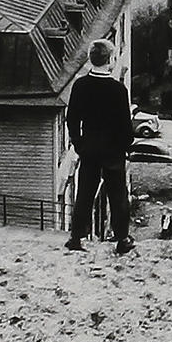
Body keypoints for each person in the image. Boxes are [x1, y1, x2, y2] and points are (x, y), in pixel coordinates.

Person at [65, 39, 135, 255]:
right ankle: (122, 238)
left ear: (91, 59)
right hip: (113, 150)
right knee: (117, 195)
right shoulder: (118, 90)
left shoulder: (80, 85)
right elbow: (125, 124)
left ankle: (76, 238)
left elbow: (72, 119)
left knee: (85, 192)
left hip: (90, 149)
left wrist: (79, 144)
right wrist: (125, 145)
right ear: (111, 60)